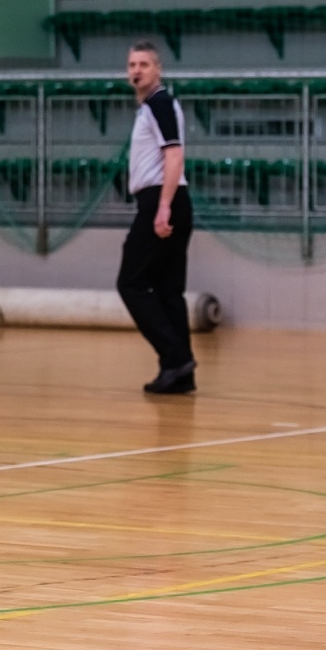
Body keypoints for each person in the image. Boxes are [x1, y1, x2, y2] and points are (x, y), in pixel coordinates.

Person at [118, 41, 195, 394]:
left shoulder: (159, 103)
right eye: (132, 65)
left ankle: (176, 356)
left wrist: (163, 207)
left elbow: (174, 157)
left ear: (157, 69)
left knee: (131, 282)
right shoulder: (152, 106)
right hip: (169, 200)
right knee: (167, 289)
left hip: (161, 200)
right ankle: (179, 372)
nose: (136, 70)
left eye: (143, 64)